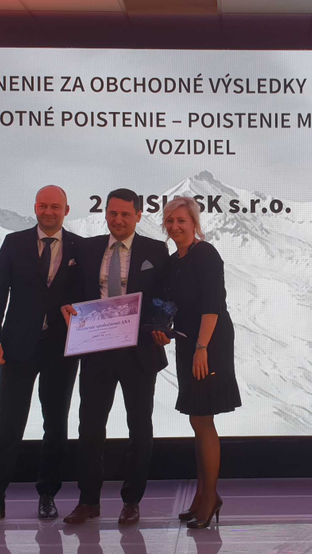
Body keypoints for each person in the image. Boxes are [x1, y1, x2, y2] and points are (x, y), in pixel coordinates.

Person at [0, 185, 82, 523]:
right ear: (35, 208)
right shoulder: (14, 243)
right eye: (43, 206)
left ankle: (48, 495)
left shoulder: (80, 247)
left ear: (66, 210)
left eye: (55, 206)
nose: (49, 212)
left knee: (56, 426)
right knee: (8, 425)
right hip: (16, 348)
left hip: (62, 349)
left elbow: (86, 295)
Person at [60, 188, 170, 525]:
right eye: (112, 213)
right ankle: (88, 501)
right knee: (90, 427)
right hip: (96, 350)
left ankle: (131, 501)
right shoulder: (88, 248)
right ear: (105, 214)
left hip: (140, 352)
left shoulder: (156, 250)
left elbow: (165, 296)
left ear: (138, 215)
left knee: (140, 427)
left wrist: (162, 326)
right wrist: (67, 306)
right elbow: (72, 290)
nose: (118, 220)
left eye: (125, 214)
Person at [156, 196, 241, 529]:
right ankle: (203, 494)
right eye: (170, 221)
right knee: (197, 419)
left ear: (194, 223)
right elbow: (167, 306)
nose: (175, 226)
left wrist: (202, 347)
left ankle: (210, 498)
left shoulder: (205, 253)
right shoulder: (173, 261)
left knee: (203, 419)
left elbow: (212, 304)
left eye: (182, 220)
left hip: (209, 343)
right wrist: (160, 330)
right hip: (187, 343)